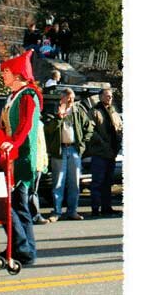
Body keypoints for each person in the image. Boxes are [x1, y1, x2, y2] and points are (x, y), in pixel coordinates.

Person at [0, 49, 43, 266]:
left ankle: (21, 247)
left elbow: (25, 126)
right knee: (19, 207)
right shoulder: (12, 96)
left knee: (11, 206)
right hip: (10, 156)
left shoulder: (28, 95)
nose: (2, 75)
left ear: (16, 74)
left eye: (5, 72)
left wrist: (12, 143)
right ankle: (25, 250)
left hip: (21, 158)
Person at [44, 88, 95, 222]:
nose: (71, 100)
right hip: (59, 150)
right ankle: (56, 212)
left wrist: (82, 145)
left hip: (74, 149)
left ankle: (72, 211)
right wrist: (59, 117)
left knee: (74, 182)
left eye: (72, 97)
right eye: (68, 98)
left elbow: (89, 128)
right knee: (58, 181)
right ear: (62, 98)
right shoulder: (54, 111)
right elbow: (48, 128)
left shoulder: (78, 111)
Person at [88, 89, 123, 217]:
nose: (110, 98)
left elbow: (119, 129)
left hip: (112, 153)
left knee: (108, 182)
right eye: (107, 96)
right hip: (100, 153)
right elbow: (91, 130)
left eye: (111, 96)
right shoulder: (94, 112)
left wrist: (117, 144)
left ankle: (106, 207)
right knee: (97, 182)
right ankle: (95, 208)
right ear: (100, 97)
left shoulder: (114, 112)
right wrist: (103, 143)